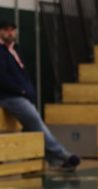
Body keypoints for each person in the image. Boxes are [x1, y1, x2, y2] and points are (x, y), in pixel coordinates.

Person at [0, 20, 80, 170]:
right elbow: (3, 77)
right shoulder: (1, 51)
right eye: (6, 29)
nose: (10, 32)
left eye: (12, 29)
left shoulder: (14, 49)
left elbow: (22, 75)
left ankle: (55, 160)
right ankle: (62, 154)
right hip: (10, 97)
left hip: (21, 95)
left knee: (33, 127)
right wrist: (21, 90)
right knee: (36, 123)